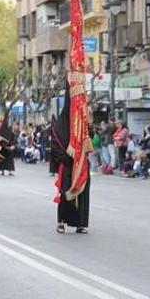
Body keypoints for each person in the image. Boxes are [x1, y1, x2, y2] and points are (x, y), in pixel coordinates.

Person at [51, 85, 91, 234]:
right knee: (65, 193)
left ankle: (80, 223)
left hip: (81, 164)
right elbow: (55, 146)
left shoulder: (82, 122)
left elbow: (89, 139)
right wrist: (67, 158)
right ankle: (61, 222)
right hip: (68, 165)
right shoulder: (59, 126)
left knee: (83, 195)